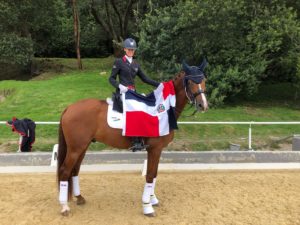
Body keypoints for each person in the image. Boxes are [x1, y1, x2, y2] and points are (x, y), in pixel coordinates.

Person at [109, 38, 159, 152]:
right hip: (123, 93)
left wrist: (160, 84)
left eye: (133, 49)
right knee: (134, 109)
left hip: (133, 93)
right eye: (129, 49)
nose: (131, 51)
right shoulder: (119, 62)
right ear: (125, 49)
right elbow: (111, 79)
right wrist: (119, 86)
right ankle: (135, 141)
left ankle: (142, 137)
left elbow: (145, 78)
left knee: (144, 108)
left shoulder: (136, 63)